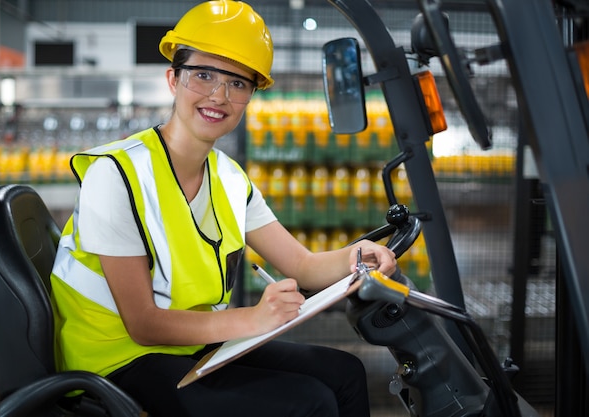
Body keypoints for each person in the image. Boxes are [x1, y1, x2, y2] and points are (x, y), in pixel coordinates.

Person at [50, 1, 397, 416]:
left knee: (344, 372)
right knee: (309, 403)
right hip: (117, 359)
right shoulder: (116, 175)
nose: (219, 96)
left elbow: (303, 265)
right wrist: (253, 320)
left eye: (237, 83)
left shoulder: (230, 179)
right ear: (173, 79)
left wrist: (360, 257)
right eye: (203, 75)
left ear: (251, 95)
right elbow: (141, 323)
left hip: (188, 344)